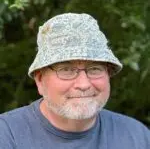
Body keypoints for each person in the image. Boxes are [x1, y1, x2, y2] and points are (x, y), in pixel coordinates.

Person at [0, 13, 149, 149]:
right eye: (66, 70)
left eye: (94, 69)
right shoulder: (8, 136)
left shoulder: (137, 136)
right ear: (40, 80)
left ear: (108, 74)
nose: (83, 84)